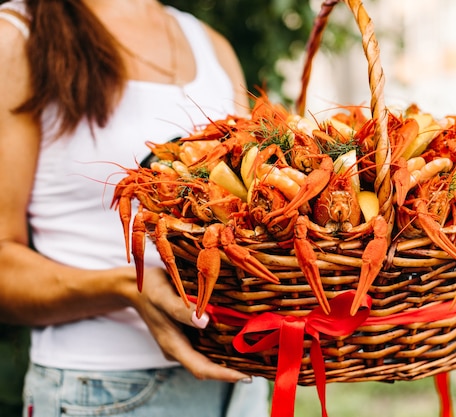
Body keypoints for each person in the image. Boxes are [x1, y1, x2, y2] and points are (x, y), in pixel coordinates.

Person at [0, 1, 269, 416]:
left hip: (242, 385)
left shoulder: (210, 45)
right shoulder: (19, 33)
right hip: (104, 389)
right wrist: (128, 288)